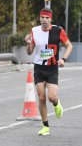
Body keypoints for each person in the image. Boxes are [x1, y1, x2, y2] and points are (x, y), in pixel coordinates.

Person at [24, 7, 73, 136]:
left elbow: (69, 45)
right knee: (41, 98)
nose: (44, 20)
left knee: (51, 97)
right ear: (39, 18)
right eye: (42, 18)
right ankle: (45, 126)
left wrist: (64, 59)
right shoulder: (34, 31)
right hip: (39, 68)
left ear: (50, 19)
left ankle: (57, 104)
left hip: (52, 68)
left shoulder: (58, 30)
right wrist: (28, 43)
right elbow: (29, 52)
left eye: (47, 18)